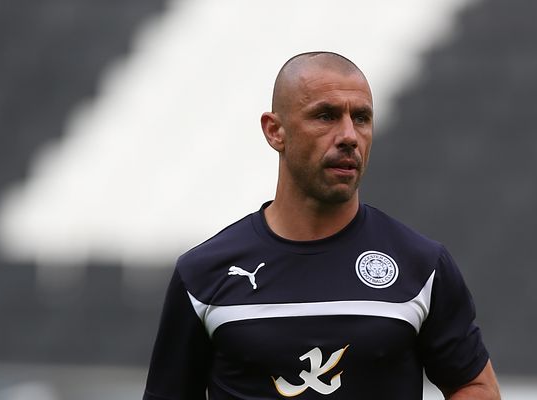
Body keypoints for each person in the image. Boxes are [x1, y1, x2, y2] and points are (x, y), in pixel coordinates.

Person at [143, 52, 501, 399]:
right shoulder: (203, 274)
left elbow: (475, 387)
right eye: (326, 116)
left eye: (361, 118)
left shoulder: (422, 266)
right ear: (275, 131)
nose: (349, 136)